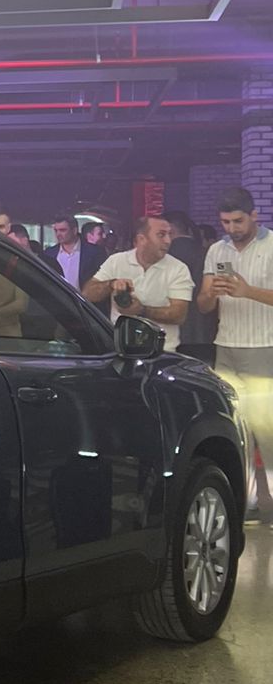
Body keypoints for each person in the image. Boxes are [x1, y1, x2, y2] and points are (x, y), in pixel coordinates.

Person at [198, 188, 273, 517]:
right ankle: (247, 503)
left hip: (264, 347)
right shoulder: (217, 249)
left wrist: (248, 291)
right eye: (226, 222)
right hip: (225, 347)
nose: (232, 228)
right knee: (236, 428)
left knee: (267, 431)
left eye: (238, 221)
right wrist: (211, 294)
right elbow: (203, 305)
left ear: (254, 215)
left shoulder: (271, 246)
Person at [83, 215, 193, 350]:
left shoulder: (178, 268)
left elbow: (179, 315)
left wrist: (141, 310)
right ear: (142, 239)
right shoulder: (116, 261)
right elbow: (87, 294)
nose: (168, 241)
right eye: (161, 235)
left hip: (162, 350)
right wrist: (111, 284)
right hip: (121, 348)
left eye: (170, 234)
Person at [164, 209, 214, 364]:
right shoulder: (208, 253)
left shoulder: (165, 256)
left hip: (174, 331)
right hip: (207, 331)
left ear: (170, 230)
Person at [46, 213, 100, 290]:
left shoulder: (94, 252)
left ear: (74, 230)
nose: (58, 234)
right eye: (56, 230)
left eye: (62, 230)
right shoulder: (49, 253)